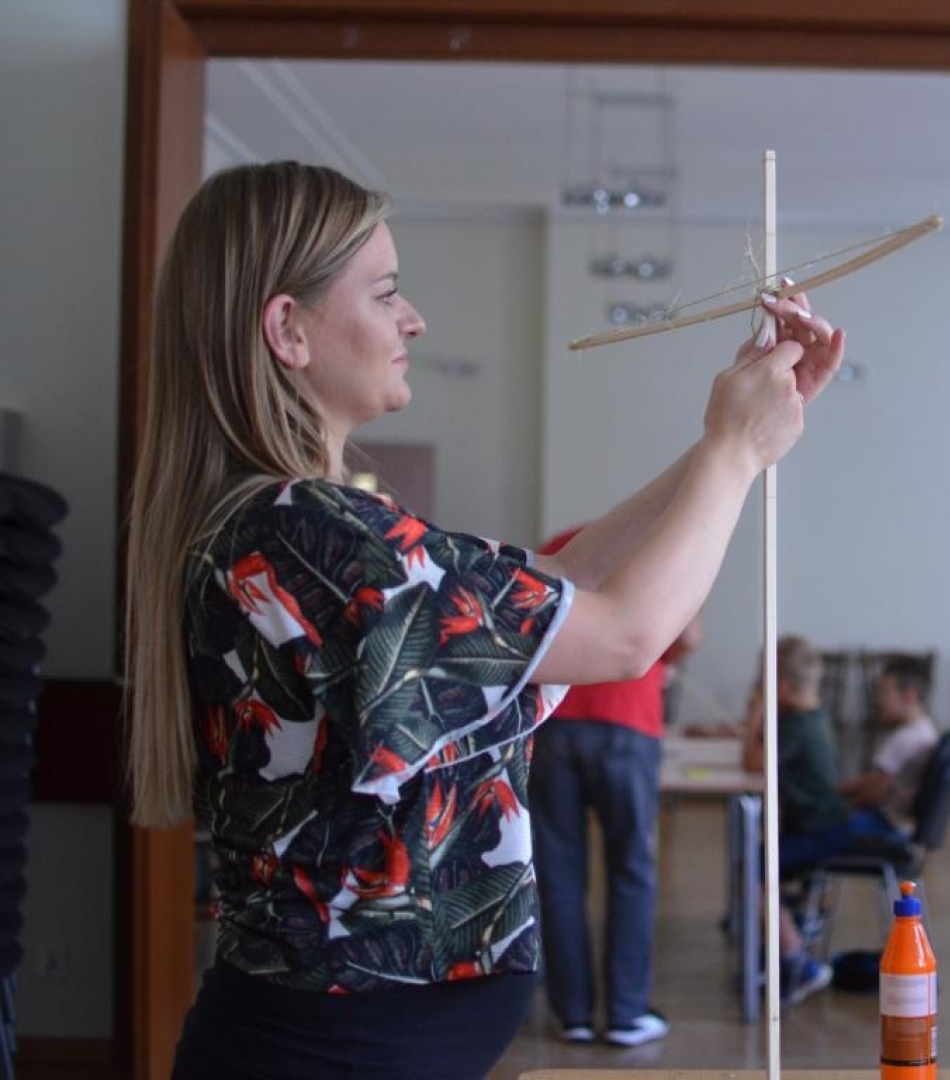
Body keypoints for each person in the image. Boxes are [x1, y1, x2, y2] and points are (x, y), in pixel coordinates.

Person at [122, 161, 844, 1080]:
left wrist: (722, 441)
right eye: (385, 294)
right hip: (330, 1052)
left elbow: (557, 583)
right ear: (287, 330)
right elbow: (623, 635)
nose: (412, 319)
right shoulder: (315, 535)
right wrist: (737, 456)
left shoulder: (297, 526)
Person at [528, 524, 701, 1049]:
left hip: (556, 723)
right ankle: (625, 1013)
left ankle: (572, 1012)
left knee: (558, 870)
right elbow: (687, 635)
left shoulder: (560, 545)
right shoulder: (655, 545)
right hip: (627, 721)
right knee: (630, 867)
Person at [741, 635, 894, 1003]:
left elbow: (750, 762)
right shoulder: (812, 715)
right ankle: (784, 942)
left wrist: (757, 710)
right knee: (761, 857)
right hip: (829, 823)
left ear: (779, 686)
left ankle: (797, 960)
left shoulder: (792, 726)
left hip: (820, 831)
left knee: (752, 868)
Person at [840, 654, 939, 836]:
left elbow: (875, 792)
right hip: (901, 825)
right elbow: (877, 779)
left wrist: (840, 801)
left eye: (885, 692)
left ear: (909, 695)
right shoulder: (927, 730)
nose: (879, 700)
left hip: (883, 825)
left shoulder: (903, 739)